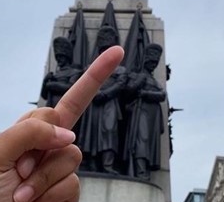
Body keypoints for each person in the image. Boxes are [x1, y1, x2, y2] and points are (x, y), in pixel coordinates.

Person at [0, 45, 124, 202]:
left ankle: (104, 162)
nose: (60, 59)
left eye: (63, 56)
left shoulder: (77, 74)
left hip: (98, 109)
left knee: (96, 137)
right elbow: (45, 93)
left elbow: (72, 86)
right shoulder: (53, 75)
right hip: (54, 110)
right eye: (58, 57)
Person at [77, 26, 127, 175]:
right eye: (102, 50)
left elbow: (120, 84)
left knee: (109, 132)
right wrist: (95, 93)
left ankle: (107, 165)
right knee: (90, 134)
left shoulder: (120, 70)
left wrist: (104, 94)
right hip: (92, 104)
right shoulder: (88, 68)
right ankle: (90, 163)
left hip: (110, 103)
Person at [123, 43, 166, 181]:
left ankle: (145, 171)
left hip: (153, 114)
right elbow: (128, 90)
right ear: (145, 60)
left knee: (149, 144)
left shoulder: (154, 81)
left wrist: (146, 93)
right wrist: (139, 83)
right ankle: (140, 172)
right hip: (140, 112)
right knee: (141, 140)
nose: (153, 65)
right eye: (151, 62)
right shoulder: (137, 76)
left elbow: (162, 95)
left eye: (155, 63)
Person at [41, 37, 82, 108]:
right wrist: (45, 81)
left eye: (61, 56)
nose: (58, 59)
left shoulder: (75, 72)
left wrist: (53, 85)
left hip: (66, 107)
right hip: (51, 107)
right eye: (57, 57)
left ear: (66, 57)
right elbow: (44, 96)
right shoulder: (54, 75)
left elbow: (71, 88)